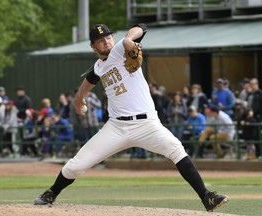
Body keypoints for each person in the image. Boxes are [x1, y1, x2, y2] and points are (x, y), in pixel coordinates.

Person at [34, 23, 228, 212]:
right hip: (116, 127)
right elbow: (90, 79)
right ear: (93, 46)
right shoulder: (99, 67)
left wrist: (128, 39)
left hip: (146, 124)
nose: (107, 42)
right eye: (100, 40)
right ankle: (52, 192)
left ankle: (206, 197)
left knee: (176, 149)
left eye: (108, 37)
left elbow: (142, 27)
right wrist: (78, 99)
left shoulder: (119, 49)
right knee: (76, 165)